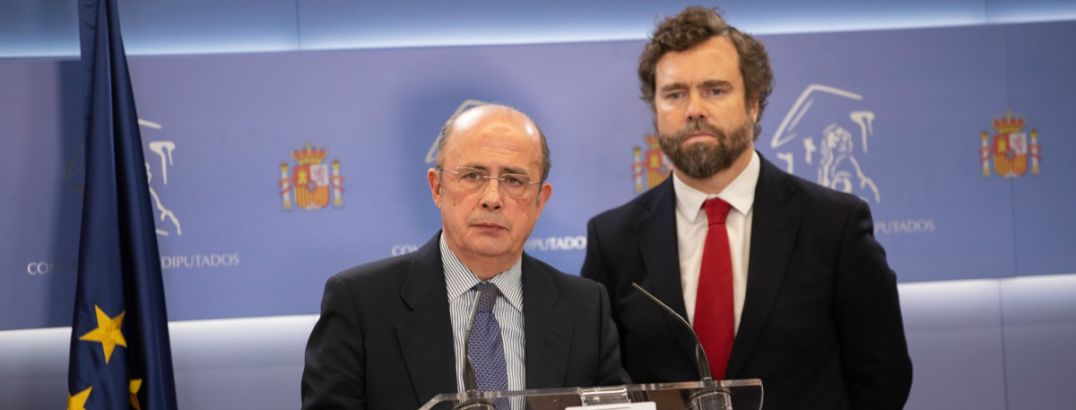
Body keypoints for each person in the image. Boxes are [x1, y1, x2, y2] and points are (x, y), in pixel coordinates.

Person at [581, 6, 912, 409]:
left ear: (754, 103)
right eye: (675, 94)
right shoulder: (612, 240)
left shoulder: (835, 225)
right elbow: (602, 389)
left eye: (715, 90)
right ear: (655, 109)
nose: (694, 109)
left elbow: (883, 378)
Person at [302, 104, 624, 409]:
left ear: (541, 201)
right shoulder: (360, 304)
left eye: (513, 180)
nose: (493, 199)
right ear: (437, 187)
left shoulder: (586, 309)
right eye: (473, 176)